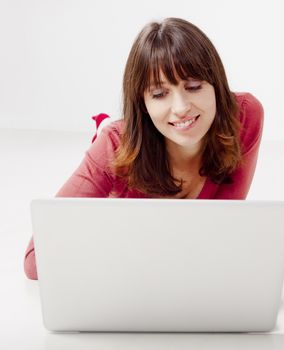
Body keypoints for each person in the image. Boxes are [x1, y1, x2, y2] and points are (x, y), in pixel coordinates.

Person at [24, 17, 264, 280]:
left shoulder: (243, 116)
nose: (181, 106)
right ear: (143, 104)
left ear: (216, 85)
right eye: (159, 94)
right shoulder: (114, 145)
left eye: (193, 87)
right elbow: (36, 260)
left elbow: (222, 229)